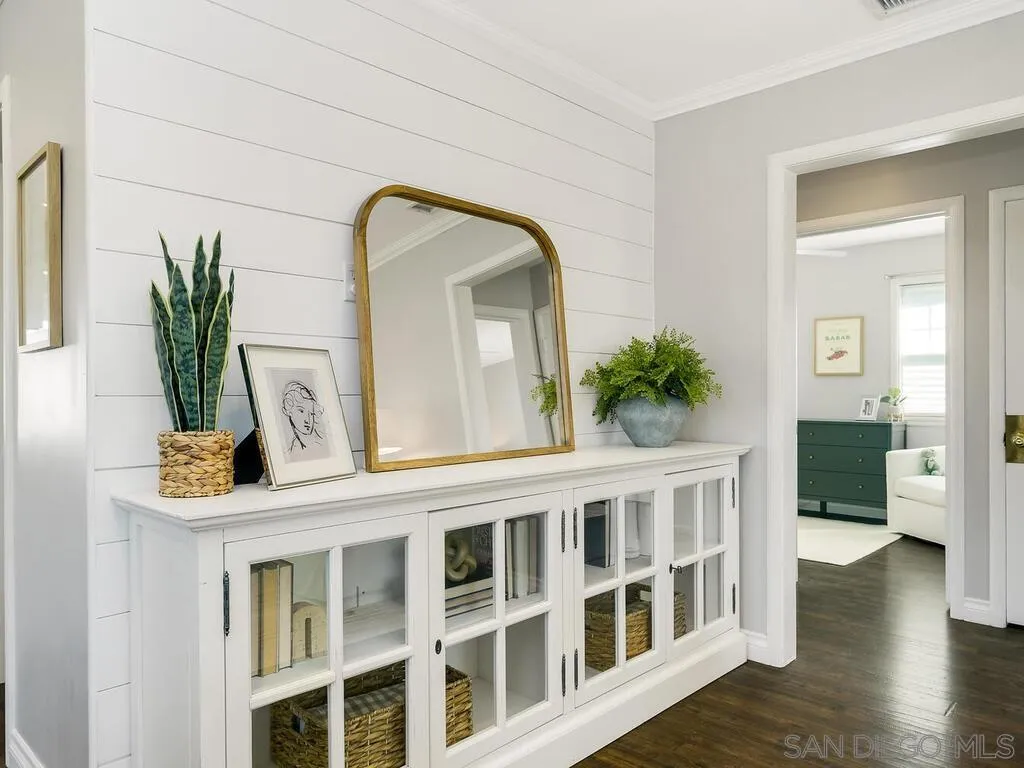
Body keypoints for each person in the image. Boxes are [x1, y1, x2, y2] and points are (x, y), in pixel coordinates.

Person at [281, 381, 325, 454]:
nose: (308, 419)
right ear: (288, 411)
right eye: (301, 411)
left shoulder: (321, 442)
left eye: (311, 413)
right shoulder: (292, 450)